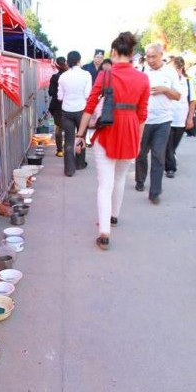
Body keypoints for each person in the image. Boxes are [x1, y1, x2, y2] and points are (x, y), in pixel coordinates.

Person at [75, 32, 150, 250]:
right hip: (130, 131)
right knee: (119, 179)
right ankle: (114, 216)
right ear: (133, 53)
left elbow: (90, 106)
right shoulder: (143, 78)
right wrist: (138, 141)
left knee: (104, 184)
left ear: (113, 52)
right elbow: (142, 114)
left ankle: (104, 232)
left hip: (107, 131)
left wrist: (80, 135)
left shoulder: (105, 75)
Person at [134, 43, 181, 204]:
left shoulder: (170, 72)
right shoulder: (141, 72)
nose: (151, 60)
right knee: (140, 154)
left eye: (154, 56)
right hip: (143, 120)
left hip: (163, 121)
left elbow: (178, 96)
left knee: (158, 156)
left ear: (162, 55)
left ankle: (155, 192)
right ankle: (140, 181)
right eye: (148, 56)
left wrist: (165, 90)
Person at [58, 50, 92, 177]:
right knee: (81, 137)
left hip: (66, 111)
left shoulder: (63, 76)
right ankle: (80, 163)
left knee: (68, 140)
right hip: (81, 110)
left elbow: (60, 96)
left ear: (68, 61)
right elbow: (88, 94)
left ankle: (69, 170)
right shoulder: (86, 75)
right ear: (79, 60)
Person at [165, 56, 196, 178]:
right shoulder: (166, 81)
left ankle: (169, 158)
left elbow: (192, 101)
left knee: (173, 145)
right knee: (167, 144)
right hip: (167, 116)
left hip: (181, 117)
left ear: (180, 69)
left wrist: (190, 118)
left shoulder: (188, 82)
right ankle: (170, 168)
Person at [48, 56, 68, 157]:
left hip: (57, 106)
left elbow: (50, 92)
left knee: (59, 127)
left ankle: (60, 151)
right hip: (69, 105)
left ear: (56, 65)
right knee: (69, 127)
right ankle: (68, 149)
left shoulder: (55, 77)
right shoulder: (69, 76)